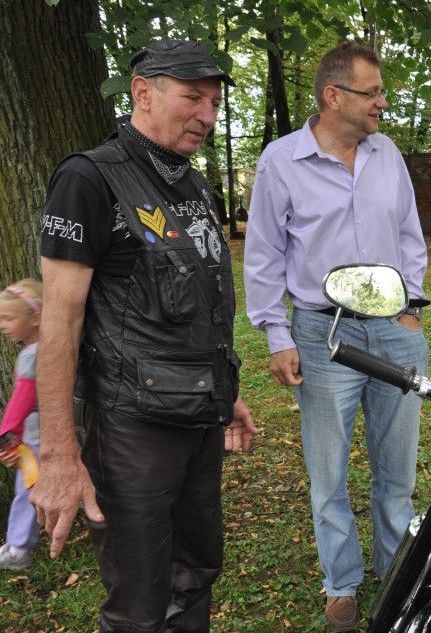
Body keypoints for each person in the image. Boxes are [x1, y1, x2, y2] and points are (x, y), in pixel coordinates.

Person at [30, 40, 257, 632]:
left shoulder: (193, 187)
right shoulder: (89, 180)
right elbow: (59, 322)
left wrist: (224, 391)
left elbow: (195, 309)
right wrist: (58, 455)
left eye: (212, 102)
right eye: (191, 98)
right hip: (131, 430)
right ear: (142, 93)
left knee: (197, 571)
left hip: (198, 419)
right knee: (139, 600)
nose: (206, 116)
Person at [244, 41, 428, 631]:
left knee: (396, 468)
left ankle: (397, 569)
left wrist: (411, 307)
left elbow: (408, 233)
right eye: (371, 92)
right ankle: (341, 584)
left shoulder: (387, 153)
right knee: (329, 473)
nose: (382, 101)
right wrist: (277, 334)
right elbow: (265, 254)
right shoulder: (281, 161)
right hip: (323, 336)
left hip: (394, 332)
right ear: (333, 96)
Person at [0, 280, 43, 571]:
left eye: (9, 318)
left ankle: (18, 549)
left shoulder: (31, 355)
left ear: (36, 318)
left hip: (35, 438)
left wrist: (6, 440)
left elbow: (19, 405)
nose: (3, 325)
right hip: (54, 429)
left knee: (27, 490)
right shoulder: (52, 345)